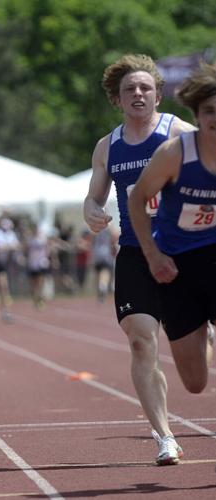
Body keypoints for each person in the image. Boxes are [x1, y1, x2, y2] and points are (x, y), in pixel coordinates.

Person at [84, 54, 196, 466]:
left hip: (187, 251)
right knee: (140, 339)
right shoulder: (107, 146)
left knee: (194, 365)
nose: (137, 93)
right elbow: (94, 197)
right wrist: (91, 210)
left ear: (158, 95)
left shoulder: (179, 132)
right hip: (135, 252)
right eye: (129, 88)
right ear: (117, 99)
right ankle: (164, 436)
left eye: (145, 87)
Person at [128, 63, 216, 411]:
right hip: (176, 264)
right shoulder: (175, 153)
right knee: (195, 384)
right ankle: (202, 332)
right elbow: (137, 200)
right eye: (209, 111)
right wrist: (152, 255)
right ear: (197, 114)